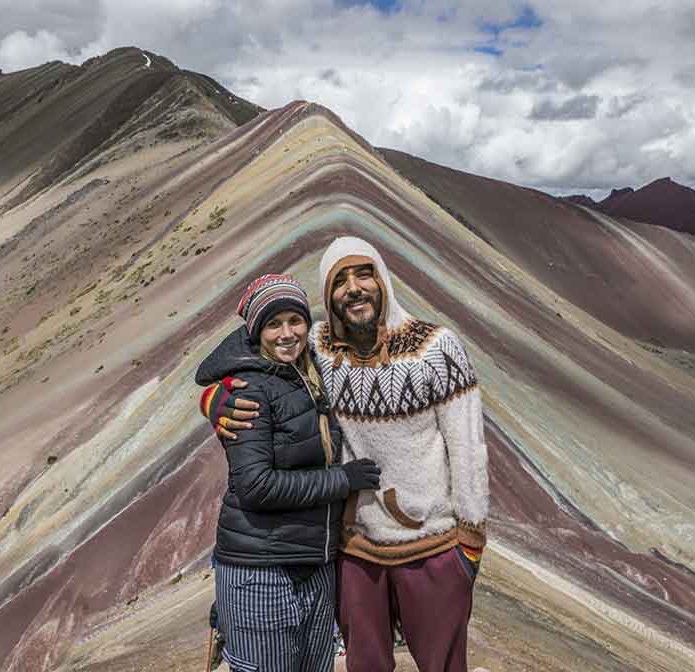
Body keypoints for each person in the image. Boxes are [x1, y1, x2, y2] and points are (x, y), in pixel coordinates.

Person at [205, 238, 490, 672]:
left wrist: (470, 544)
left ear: (383, 280)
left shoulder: (436, 349)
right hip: (354, 552)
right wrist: (214, 399)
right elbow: (255, 353)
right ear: (328, 296)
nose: (354, 288)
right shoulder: (318, 349)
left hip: (432, 547)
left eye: (364, 274)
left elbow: (468, 447)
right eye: (339, 281)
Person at [195, 273, 381, 672]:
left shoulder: (310, 373)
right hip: (262, 571)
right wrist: (344, 480)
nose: (286, 334)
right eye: (273, 324)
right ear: (256, 331)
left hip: (314, 564)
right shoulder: (248, 389)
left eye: (295, 321)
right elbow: (256, 486)